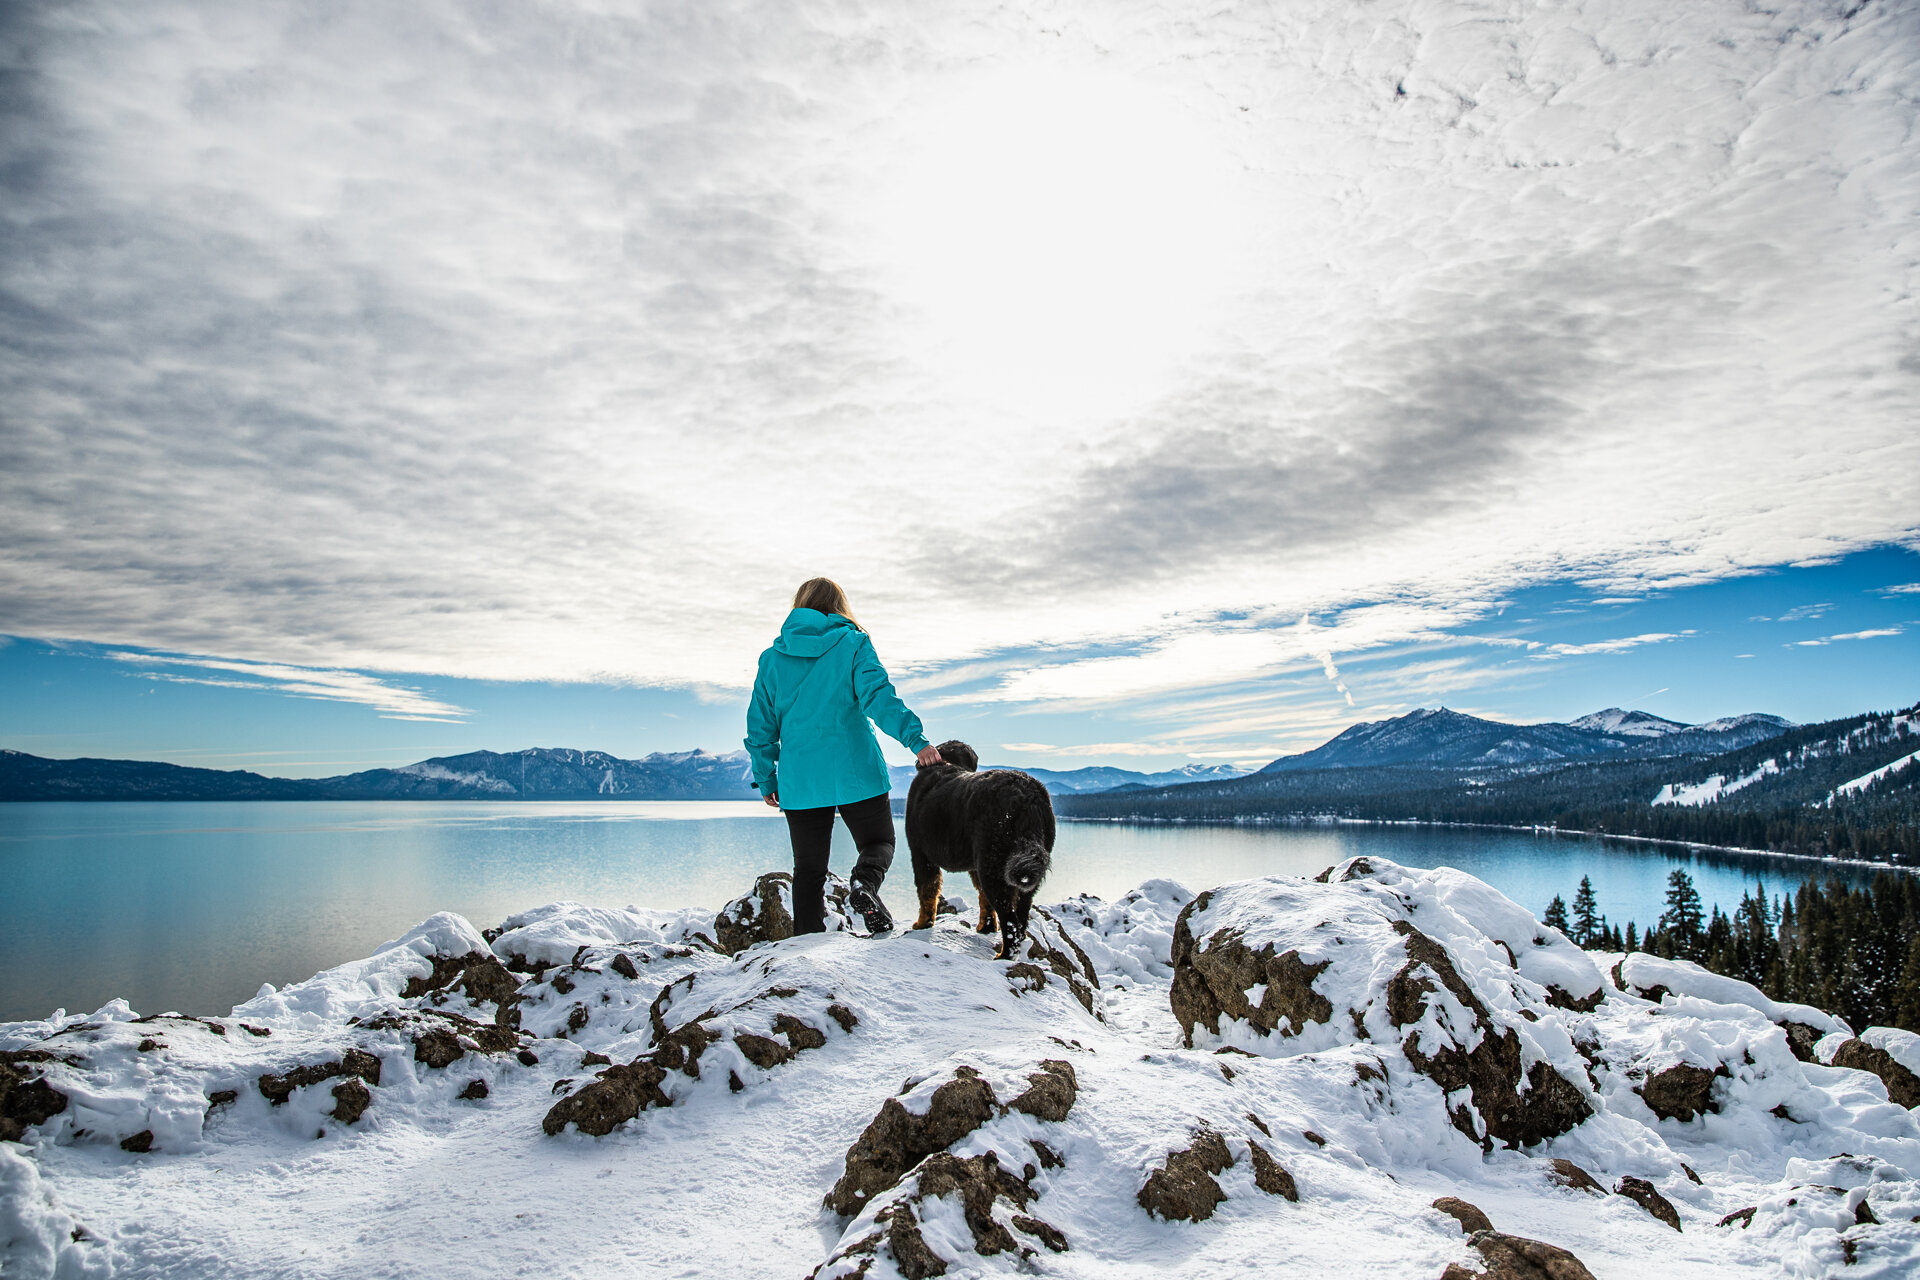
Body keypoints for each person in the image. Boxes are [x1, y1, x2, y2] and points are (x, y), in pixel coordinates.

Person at [744, 577, 941, 935]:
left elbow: (760, 727)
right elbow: (879, 698)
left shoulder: (772, 659)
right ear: (838, 606)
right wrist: (917, 741)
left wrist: (766, 777)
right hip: (856, 772)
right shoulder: (853, 643)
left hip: (801, 781)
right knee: (878, 842)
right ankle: (863, 885)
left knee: (808, 869)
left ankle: (805, 947)